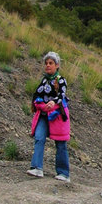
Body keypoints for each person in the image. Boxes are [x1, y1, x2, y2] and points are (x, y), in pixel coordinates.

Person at [27, 51, 71, 182]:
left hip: (57, 116)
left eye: (50, 63)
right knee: (39, 138)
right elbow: (37, 94)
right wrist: (40, 104)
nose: (47, 65)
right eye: (46, 63)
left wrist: (53, 102)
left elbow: (62, 95)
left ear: (57, 65)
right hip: (44, 114)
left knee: (61, 143)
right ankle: (37, 167)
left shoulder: (61, 80)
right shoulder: (44, 80)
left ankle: (63, 173)